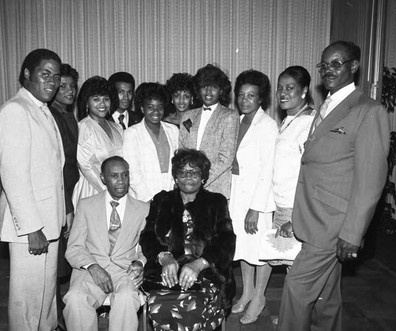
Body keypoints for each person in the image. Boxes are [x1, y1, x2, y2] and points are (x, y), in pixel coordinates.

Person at [277, 41, 390, 331]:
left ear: (353, 67)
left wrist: (352, 233)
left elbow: (371, 179)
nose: (328, 70)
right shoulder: (326, 105)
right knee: (326, 296)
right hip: (312, 215)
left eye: (336, 63)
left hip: (333, 223)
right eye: (324, 64)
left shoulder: (368, 111)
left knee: (296, 287)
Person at [0, 48, 65, 330]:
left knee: (46, 299)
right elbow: (13, 175)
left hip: (49, 221)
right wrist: (32, 227)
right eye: (44, 74)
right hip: (31, 228)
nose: (52, 82)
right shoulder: (15, 110)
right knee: (28, 301)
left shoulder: (42, 110)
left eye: (56, 76)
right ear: (26, 74)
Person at [139, 148, 236, 331]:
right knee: (163, 308)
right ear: (175, 177)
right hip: (167, 276)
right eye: (183, 172)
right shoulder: (162, 201)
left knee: (190, 308)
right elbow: (147, 236)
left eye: (195, 172)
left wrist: (199, 264)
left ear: (203, 177)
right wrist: (165, 257)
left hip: (207, 274)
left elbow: (226, 240)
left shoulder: (216, 202)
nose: (188, 176)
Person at [63, 156, 149, 331]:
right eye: (115, 176)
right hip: (91, 271)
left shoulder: (143, 209)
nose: (121, 182)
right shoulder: (86, 205)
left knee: (126, 298)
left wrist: (139, 263)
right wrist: (93, 267)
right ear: (103, 178)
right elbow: (74, 247)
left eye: (125, 175)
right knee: (75, 299)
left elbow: (147, 248)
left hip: (125, 272)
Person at [229, 70, 278, 324]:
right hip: (237, 192)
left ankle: (259, 296)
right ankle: (247, 290)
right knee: (243, 246)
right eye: (241, 95)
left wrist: (256, 208)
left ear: (261, 99)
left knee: (260, 248)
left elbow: (268, 170)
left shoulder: (268, 126)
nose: (245, 100)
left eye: (251, 96)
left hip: (257, 197)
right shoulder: (236, 120)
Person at [271, 66, 315, 263]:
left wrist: (296, 217)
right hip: (282, 204)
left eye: (290, 88)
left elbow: (311, 172)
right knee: (287, 261)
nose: (283, 93)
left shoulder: (309, 123)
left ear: (304, 91)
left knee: (296, 264)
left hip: (295, 207)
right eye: (280, 88)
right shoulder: (289, 119)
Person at [48, 63, 80, 329]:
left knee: (68, 257)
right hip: (62, 194)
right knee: (57, 261)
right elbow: (55, 166)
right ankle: (56, 316)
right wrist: (67, 205)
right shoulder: (51, 116)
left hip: (74, 190)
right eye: (64, 86)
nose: (69, 91)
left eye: (72, 86)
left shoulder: (68, 115)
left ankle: (65, 311)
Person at [179, 64, 239, 199]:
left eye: (213, 87)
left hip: (215, 189)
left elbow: (225, 158)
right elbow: (181, 152)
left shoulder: (229, 116)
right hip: (187, 188)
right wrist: (186, 181)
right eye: (204, 86)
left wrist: (199, 180)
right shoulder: (188, 115)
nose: (208, 91)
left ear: (221, 90)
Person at [71, 76, 124, 207]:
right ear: (87, 103)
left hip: (118, 189)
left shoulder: (116, 127)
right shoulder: (84, 127)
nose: (102, 104)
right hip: (93, 190)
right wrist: (108, 192)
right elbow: (85, 166)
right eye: (96, 99)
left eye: (106, 99)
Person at [123, 82, 179, 202]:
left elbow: (177, 164)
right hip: (143, 197)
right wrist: (148, 198)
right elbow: (132, 171)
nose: (156, 111)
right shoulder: (131, 134)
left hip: (171, 195)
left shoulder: (173, 130)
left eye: (160, 107)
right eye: (150, 107)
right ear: (142, 108)